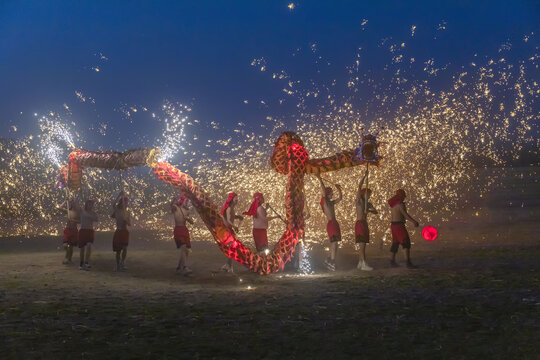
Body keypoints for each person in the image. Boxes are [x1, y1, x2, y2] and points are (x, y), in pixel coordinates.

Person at [316, 175, 342, 271]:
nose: (332, 195)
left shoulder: (331, 203)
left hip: (335, 223)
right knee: (334, 243)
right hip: (331, 224)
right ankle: (331, 261)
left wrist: (339, 189)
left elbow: (340, 198)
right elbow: (323, 191)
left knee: (336, 244)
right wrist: (320, 180)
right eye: (331, 193)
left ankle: (330, 260)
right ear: (327, 194)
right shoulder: (325, 202)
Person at [388, 189, 419, 268]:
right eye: (403, 196)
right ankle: (408, 263)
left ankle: (392, 261)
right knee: (406, 242)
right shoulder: (400, 204)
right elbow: (405, 215)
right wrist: (414, 222)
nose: (404, 198)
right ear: (401, 196)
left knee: (395, 243)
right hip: (399, 226)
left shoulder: (393, 204)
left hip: (393, 226)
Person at [355, 169, 378, 271]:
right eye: (368, 194)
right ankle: (363, 263)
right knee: (362, 245)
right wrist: (364, 176)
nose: (369, 196)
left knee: (363, 244)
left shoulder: (368, 204)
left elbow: (375, 212)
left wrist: (369, 209)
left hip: (364, 224)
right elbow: (359, 188)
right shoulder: (359, 201)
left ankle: (360, 263)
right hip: (360, 224)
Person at [171, 194, 194, 276]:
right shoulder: (176, 208)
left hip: (185, 230)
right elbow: (172, 207)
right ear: (182, 200)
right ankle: (184, 267)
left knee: (186, 250)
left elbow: (192, 222)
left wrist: (188, 219)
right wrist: (173, 200)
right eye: (186, 201)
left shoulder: (187, 211)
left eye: (187, 201)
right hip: (178, 229)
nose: (187, 202)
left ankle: (179, 267)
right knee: (183, 247)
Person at [220, 192, 243, 272]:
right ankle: (229, 265)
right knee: (232, 247)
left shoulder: (232, 209)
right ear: (232, 200)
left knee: (232, 247)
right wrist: (235, 226)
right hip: (227, 231)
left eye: (237, 199)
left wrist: (238, 217)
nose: (237, 200)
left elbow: (232, 217)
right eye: (236, 199)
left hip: (230, 230)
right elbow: (229, 220)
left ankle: (228, 265)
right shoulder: (229, 208)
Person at [111, 191, 131, 271]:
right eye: (124, 203)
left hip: (125, 231)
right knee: (118, 250)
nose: (125, 204)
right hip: (119, 231)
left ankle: (123, 262)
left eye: (126, 203)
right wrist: (119, 196)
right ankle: (118, 264)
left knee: (125, 248)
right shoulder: (117, 211)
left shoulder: (127, 212)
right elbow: (113, 204)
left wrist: (127, 221)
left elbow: (129, 224)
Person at [78, 199, 98, 270]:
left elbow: (96, 219)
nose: (90, 205)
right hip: (83, 231)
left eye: (91, 204)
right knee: (82, 248)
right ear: (86, 204)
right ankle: (81, 263)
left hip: (90, 231)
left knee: (89, 246)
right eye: (89, 204)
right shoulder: (81, 212)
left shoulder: (93, 213)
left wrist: (89, 216)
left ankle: (86, 262)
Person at [60, 198, 80, 265]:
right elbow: (60, 208)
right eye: (71, 203)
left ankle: (69, 259)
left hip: (74, 230)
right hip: (68, 230)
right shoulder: (68, 211)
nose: (72, 204)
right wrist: (65, 201)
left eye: (73, 203)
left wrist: (73, 220)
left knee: (71, 246)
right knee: (65, 245)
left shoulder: (77, 212)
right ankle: (67, 257)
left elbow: (80, 221)